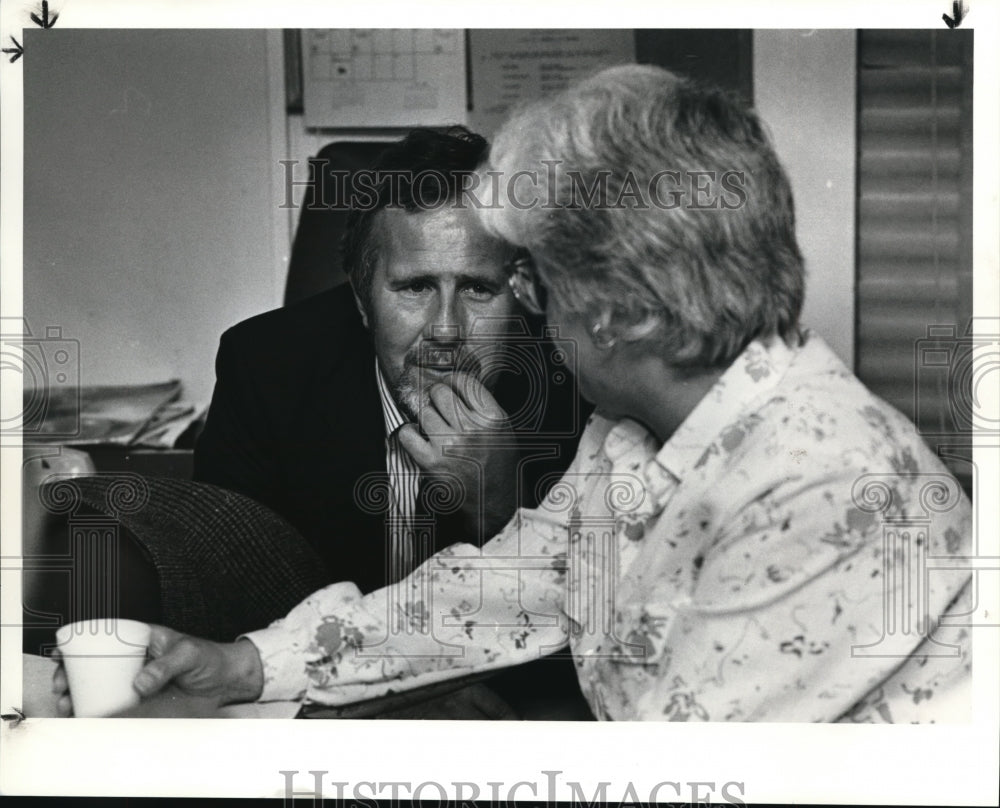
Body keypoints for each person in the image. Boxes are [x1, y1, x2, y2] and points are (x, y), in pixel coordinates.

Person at [57, 65, 972, 722]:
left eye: (531, 281)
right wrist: (246, 664)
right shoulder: (637, 430)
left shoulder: (825, 487)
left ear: (619, 310)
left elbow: (674, 778)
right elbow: (499, 592)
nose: (526, 310)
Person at [189, 126, 592, 718]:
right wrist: (398, 696)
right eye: (416, 286)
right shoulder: (268, 368)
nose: (447, 329)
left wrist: (497, 504)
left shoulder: (574, 378)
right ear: (360, 298)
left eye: (478, 288)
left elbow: (593, 632)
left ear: (525, 294)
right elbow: (231, 592)